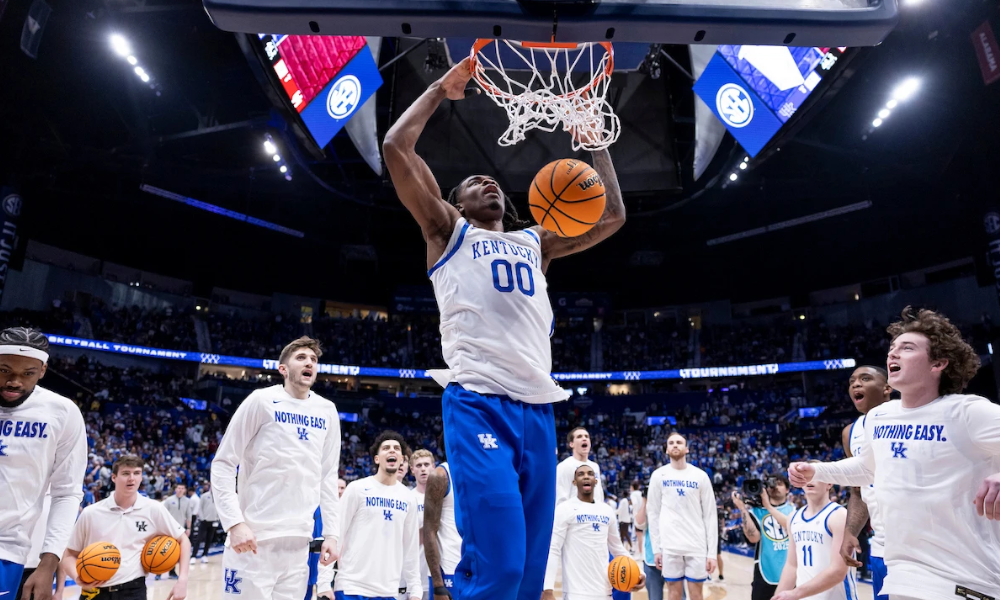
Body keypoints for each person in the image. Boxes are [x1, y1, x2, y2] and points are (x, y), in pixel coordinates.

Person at [382, 56, 625, 600]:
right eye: (472, 181)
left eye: (491, 180)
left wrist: (594, 141)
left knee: (528, 577)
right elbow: (397, 149)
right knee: (500, 568)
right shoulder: (448, 230)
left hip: (538, 412)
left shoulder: (536, 242)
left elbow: (611, 218)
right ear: (457, 201)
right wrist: (442, 91)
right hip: (478, 401)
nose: (486, 180)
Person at [789, 307, 1000, 600]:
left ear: (938, 363)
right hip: (902, 576)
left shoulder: (967, 412)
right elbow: (867, 468)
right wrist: (818, 470)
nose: (893, 354)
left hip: (965, 580)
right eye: (892, 348)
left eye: (907, 348)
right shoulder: (881, 417)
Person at [212, 337, 342, 600]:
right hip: (253, 540)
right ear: (283, 369)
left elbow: (327, 476)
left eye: (314, 360)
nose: (309, 363)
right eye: (301, 358)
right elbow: (224, 463)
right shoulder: (261, 401)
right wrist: (234, 523)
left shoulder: (327, 410)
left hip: (298, 544)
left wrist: (332, 533)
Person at [0, 327, 87, 600]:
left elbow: (67, 493)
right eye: (4, 370)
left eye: (27, 373)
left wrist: (48, 564)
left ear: (43, 371)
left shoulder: (62, 412)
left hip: (6, 550)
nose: (14, 382)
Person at [63, 454, 191, 600]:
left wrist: (182, 580)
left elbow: (184, 541)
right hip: (94, 592)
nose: (132, 478)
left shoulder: (153, 509)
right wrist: (77, 577)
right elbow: (69, 555)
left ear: (141, 477)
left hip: (133, 590)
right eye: (125, 473)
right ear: (113, 478)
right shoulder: (91, 513)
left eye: (136, 473)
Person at [328, 431, 421, 600]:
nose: (392, 451)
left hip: (388, 591)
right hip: (351, 586)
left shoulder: (408, 498)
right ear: (377, 458)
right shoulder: (357, 489)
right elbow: (335, 536)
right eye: (386, 448)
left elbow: (411, 548)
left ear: (402, 459)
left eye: (396, 449)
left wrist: (415, 589)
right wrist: (324, 582)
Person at [542, 465, 645, 600]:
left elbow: (618, 549)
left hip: (604, 592)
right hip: (576, 593)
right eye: (581, 474)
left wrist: (639, 572)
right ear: (574, 482)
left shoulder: (607, 511)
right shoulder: (564, 509)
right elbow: (554, 549)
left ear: (595, 480)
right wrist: (548, 589)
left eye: (590, 474)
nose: (586, 476)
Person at [840, 366, 893, 600]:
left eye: (865, 378)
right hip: (882, 549)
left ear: (887, 388)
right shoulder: (850, 433)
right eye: (852, 381)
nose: (855, 384)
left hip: (925, 547)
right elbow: (858, 491)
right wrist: (850, 531)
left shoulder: (913, 416)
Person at [647, 433, 718, 600]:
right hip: (670, 546)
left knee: (696, 595)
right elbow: (653, 513)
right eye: (671, 443)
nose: (675, 445)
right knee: (673, 595)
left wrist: (712, 553)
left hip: (696, 545)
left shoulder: (700, 476)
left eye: (679, 442)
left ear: (686, 449)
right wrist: (656, 549)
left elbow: (710, 515)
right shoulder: (658, 475)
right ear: (666, 449)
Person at [772, 476, 855, 600]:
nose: (809, 480)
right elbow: (791, 566)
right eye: (805, 477)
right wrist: (778, 596)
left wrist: (795, 593)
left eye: (815, 476)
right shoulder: (793, 518)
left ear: (829, 483)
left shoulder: (839, 516)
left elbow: (838, 571)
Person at [730, 476, 794, 600]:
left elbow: (792, 526)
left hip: (791, 574)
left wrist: (768, 506)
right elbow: (753, 538)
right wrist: (743, 509)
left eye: (779, 484)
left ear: (787, 490)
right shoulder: (755, 512)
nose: (774, 487)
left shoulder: (794, 511)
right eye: (771, 484)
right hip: (765, 571)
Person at [422, 442, 463, 600]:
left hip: (478, 570)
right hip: (449, 569)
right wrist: (438, 585)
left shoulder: (479, 472)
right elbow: (429, 530)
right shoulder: (440, 475)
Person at [410, 449, 436, 600]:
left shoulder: (446, 499)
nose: (423, 469)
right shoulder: (408, 498)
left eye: (426, 464)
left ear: (433, 466)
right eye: (418, 465)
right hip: (417, 576)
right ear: (412, 469)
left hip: (443, 572)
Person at [557, 428, 605, 506]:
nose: (584, 438)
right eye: (579, 436)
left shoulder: (595, 466)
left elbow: (599, 494)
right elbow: (561, 497)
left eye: (586, 436)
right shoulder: (564, 466)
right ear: (571, 444)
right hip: (574, 514)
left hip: (594, 514)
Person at [635, 489, 665, 600]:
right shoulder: (649, 507)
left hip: (673, 558)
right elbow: (639, 523)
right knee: (654, 598)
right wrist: (644, 501)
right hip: (651, 559)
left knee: (678, 596)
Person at [164, 484, 194, 577]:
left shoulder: (188, 501)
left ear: (184, 490)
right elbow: (163, 515)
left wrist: (188, 528)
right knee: (163, 550)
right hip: (168, 529)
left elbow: (189, 516)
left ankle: (172, 572)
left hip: (180, 530)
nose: (180, 490)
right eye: (178, 488)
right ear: (175, 489)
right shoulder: (169, 500)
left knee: (175, 552)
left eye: (182, 488)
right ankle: (159, 572)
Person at [191, 481, 220, 564]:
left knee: (209, 539)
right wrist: (202, 518)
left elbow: (220, 509)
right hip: (204, 521)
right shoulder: (204, 496)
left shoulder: (218, 497)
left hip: (214, 521)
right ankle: (193, 556)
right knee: (199, 539)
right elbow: (200, 508)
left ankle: (205, 555)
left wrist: (217, 519)